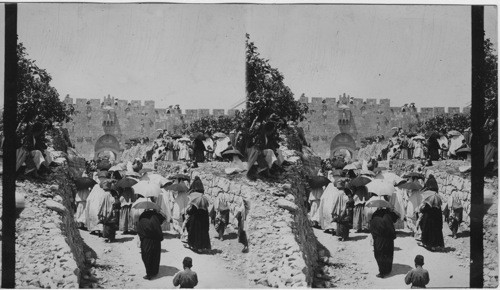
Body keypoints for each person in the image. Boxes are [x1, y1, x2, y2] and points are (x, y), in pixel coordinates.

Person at [136, 209, 165, 280]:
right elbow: (161, 222)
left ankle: (149, 273)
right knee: (155, 256)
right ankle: (154, 272)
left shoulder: (142, 216)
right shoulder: (155, 216)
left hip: (146, 240)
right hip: (155, 239)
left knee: (146, 256)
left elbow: (139, 228)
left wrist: (141, 237)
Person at [185, 177, 211, 252]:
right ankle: (202, 247)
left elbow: (193, 210)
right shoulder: (203, 199)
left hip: (196, 220)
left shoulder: (196, 199)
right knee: (202, 232)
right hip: (203, 219)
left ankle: (194, 246)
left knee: (194, 232)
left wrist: (188, 212)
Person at [370, 207, 396, 278]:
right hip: (388, 239)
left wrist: (374, 237)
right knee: (388, 254)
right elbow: (392, 229)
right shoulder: (387, 217)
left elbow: (372, 229)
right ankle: (388, 270)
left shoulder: (374, 217)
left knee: (379, 255)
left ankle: (382, 272)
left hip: (379, 240)